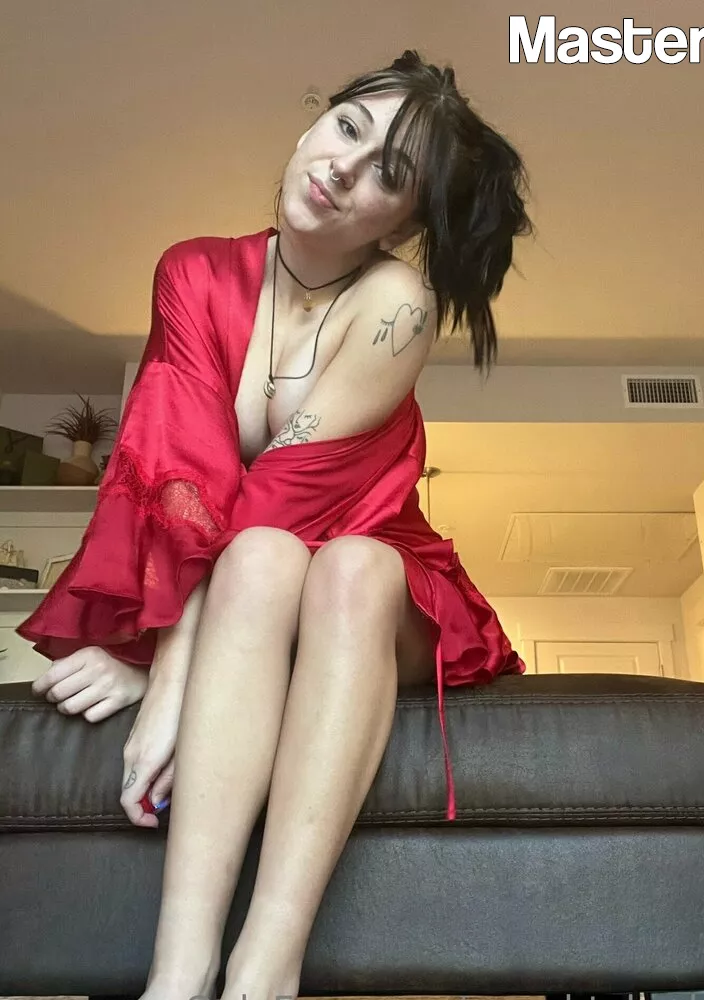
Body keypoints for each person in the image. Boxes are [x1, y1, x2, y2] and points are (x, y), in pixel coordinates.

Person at [18, 49, 533, 1000]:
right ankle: (180, 974)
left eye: (386, 172)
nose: (342, 167)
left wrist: (168, 672)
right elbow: (182, 474)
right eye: (346, 128)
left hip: (366, 583)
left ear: (403, 221)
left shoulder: (398, 304)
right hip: (249, 578)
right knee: (260, 556)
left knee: (346, 566)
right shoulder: (192, 271)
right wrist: (163, 658)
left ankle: (265, 970)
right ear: (310, 123)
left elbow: (280, 496)